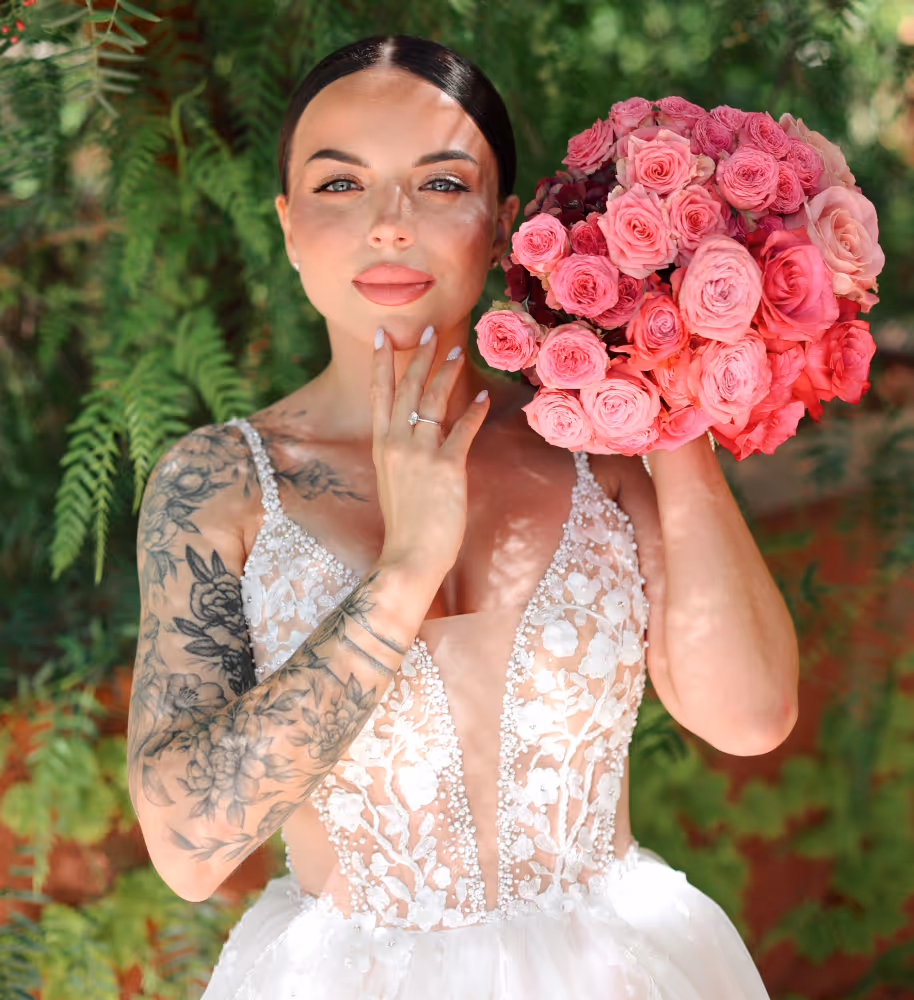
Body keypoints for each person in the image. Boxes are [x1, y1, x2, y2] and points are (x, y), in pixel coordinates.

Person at [126, 33, 799, 999]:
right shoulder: (218, 484)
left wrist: (668, 386)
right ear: (284, 225)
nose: (388, 226)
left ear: (503, 224)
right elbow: (189, 848)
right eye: (339, 186)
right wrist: (404, 574)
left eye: (440, 185)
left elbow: (750, 717)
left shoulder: (597, 445)